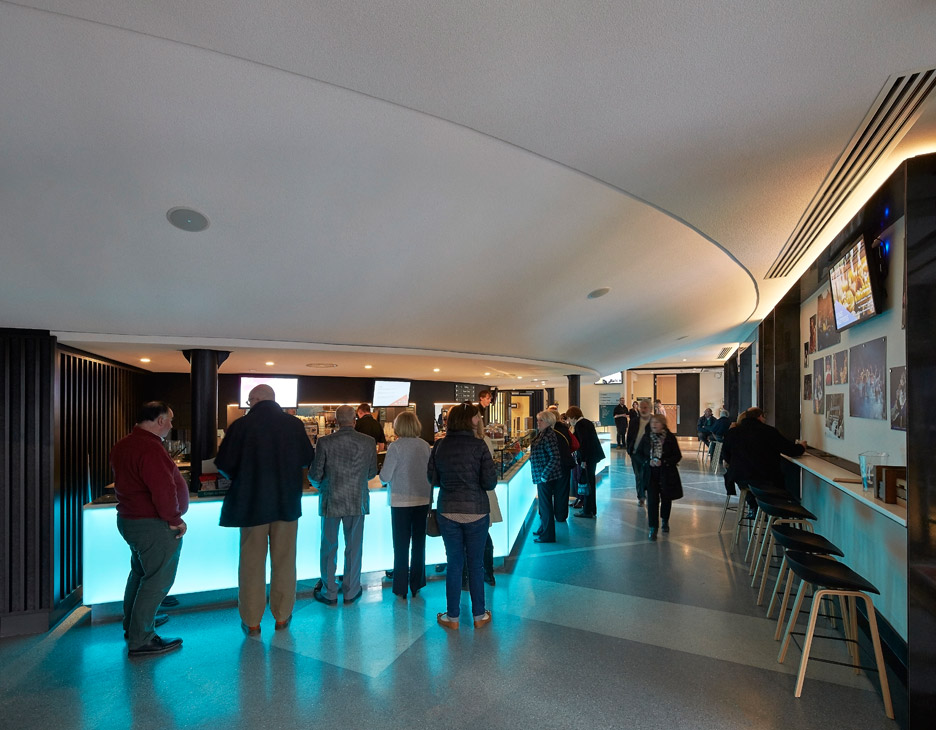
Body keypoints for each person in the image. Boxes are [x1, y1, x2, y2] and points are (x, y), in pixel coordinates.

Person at [214, 384, 315, 636]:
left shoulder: (241, 426)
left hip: (252, 504)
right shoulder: (293, 425)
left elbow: (224, 464)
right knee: (284, 560)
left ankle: (252, 621)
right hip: (287, 503)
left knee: (251, 563)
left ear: (253, 400)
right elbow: (306, 459)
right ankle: (282, 616)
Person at [109, 401, 188, 656]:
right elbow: (162, 490)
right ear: (160, 420)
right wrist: (175, 518)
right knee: (157, 580)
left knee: (140, 574)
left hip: (130, 520)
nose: (172, 425)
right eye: (171, 419)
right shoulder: (150, 448)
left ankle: (134, 626)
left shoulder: (124, 444)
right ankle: (142, 637)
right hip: (153, 525)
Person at [428, 403, 497, 630]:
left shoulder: (439, 446)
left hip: (447, 510)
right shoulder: (479, 446)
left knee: (454, 563)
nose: (478, 419)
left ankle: (453, 617)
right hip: (476, 511)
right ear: (470, 421)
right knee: (476, 565)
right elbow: (489, 482)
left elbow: (433, 479)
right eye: (476, 417)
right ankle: (479, 615)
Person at [309, 405, 378, 605]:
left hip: (331, 500)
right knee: (354, 547)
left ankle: (329, 592)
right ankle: (351, 590)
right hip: (357, 499)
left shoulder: (324, 442)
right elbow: (371, 473)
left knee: (329, 548)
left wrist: (322, 485)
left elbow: (315, 475)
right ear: (354, 420)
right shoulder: (368, 442)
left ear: (337, 421)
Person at [379, 411, 432, 599]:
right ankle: (417, 583)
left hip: (400, 502)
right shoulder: (425, 446)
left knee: (401, 546)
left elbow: (385, 476)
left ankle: (400, 587)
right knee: (419, 544)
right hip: (423, 499)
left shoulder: (395, 447)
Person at [721, 407, 807, 513]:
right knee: (783, 484)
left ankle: (755, 508)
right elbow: (790, 450)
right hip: (765, 478)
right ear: (760, 417)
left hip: (740, 478)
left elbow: (725, 455)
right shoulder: (769, 431)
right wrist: (801, 447)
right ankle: (774, 513)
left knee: (752, 484)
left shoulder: (733, 432)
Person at [635, 414, 682, 540]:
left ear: (663, 424)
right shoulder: (646, 438)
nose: (654, 425)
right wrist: (647, 461)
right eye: (652, 423)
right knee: (652, 500)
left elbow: (677, 456)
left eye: (657, 422)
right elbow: (638, 454)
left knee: (666, 498)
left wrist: (665, 462)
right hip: (651, 473)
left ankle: (665, 521)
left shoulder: (670, 438)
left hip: (666, 473)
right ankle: (653, 527)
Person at [566, 406, 605, 518]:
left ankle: (587, 511)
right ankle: (591, 509)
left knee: (588, 484)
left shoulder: (580, 425)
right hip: (592, 457)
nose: (569, 421)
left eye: (569, 418)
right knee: (590, 483)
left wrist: (583, 460)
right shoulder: (586, 422)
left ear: (573, 417)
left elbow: (583, 444)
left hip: (588, 458)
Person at [530, 410, 563, 543]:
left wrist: (544, 475)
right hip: (542, 475)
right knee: (544, 506)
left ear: (548, 422)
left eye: (540, 420)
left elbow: (555, 457)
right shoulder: (543, 434)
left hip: (545, 477)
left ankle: (547, 535)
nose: (538, 423)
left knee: (545, 506)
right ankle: (543, 529)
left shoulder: (548, 435)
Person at [626, 399, 653, 506]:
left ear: (650, 409)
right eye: (641, 407)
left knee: (648, 476)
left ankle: (648, 493)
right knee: (639, 476)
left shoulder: (654, 421)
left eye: (645, 407)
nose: (643, 409)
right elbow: (629, 436)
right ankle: (641, 497)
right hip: (636, 453)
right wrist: (630, 450)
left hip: (649, 454)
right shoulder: (634, 421)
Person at [552, 412, 577, 522]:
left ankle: (547, 515)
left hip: (551, 464)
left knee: (548, 491)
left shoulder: (548, 431)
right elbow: (575, 444)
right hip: (565, 463)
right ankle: (561, 515)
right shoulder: (565, 429)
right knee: (563, 490)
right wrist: (566, 452)